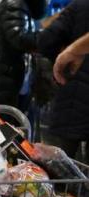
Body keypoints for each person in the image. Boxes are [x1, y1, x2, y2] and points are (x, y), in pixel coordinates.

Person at [38, 0, 89, 162]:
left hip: (70, 95)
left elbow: (46, 40)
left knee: (59, 169)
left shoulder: (78, 6)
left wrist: (63, 57)